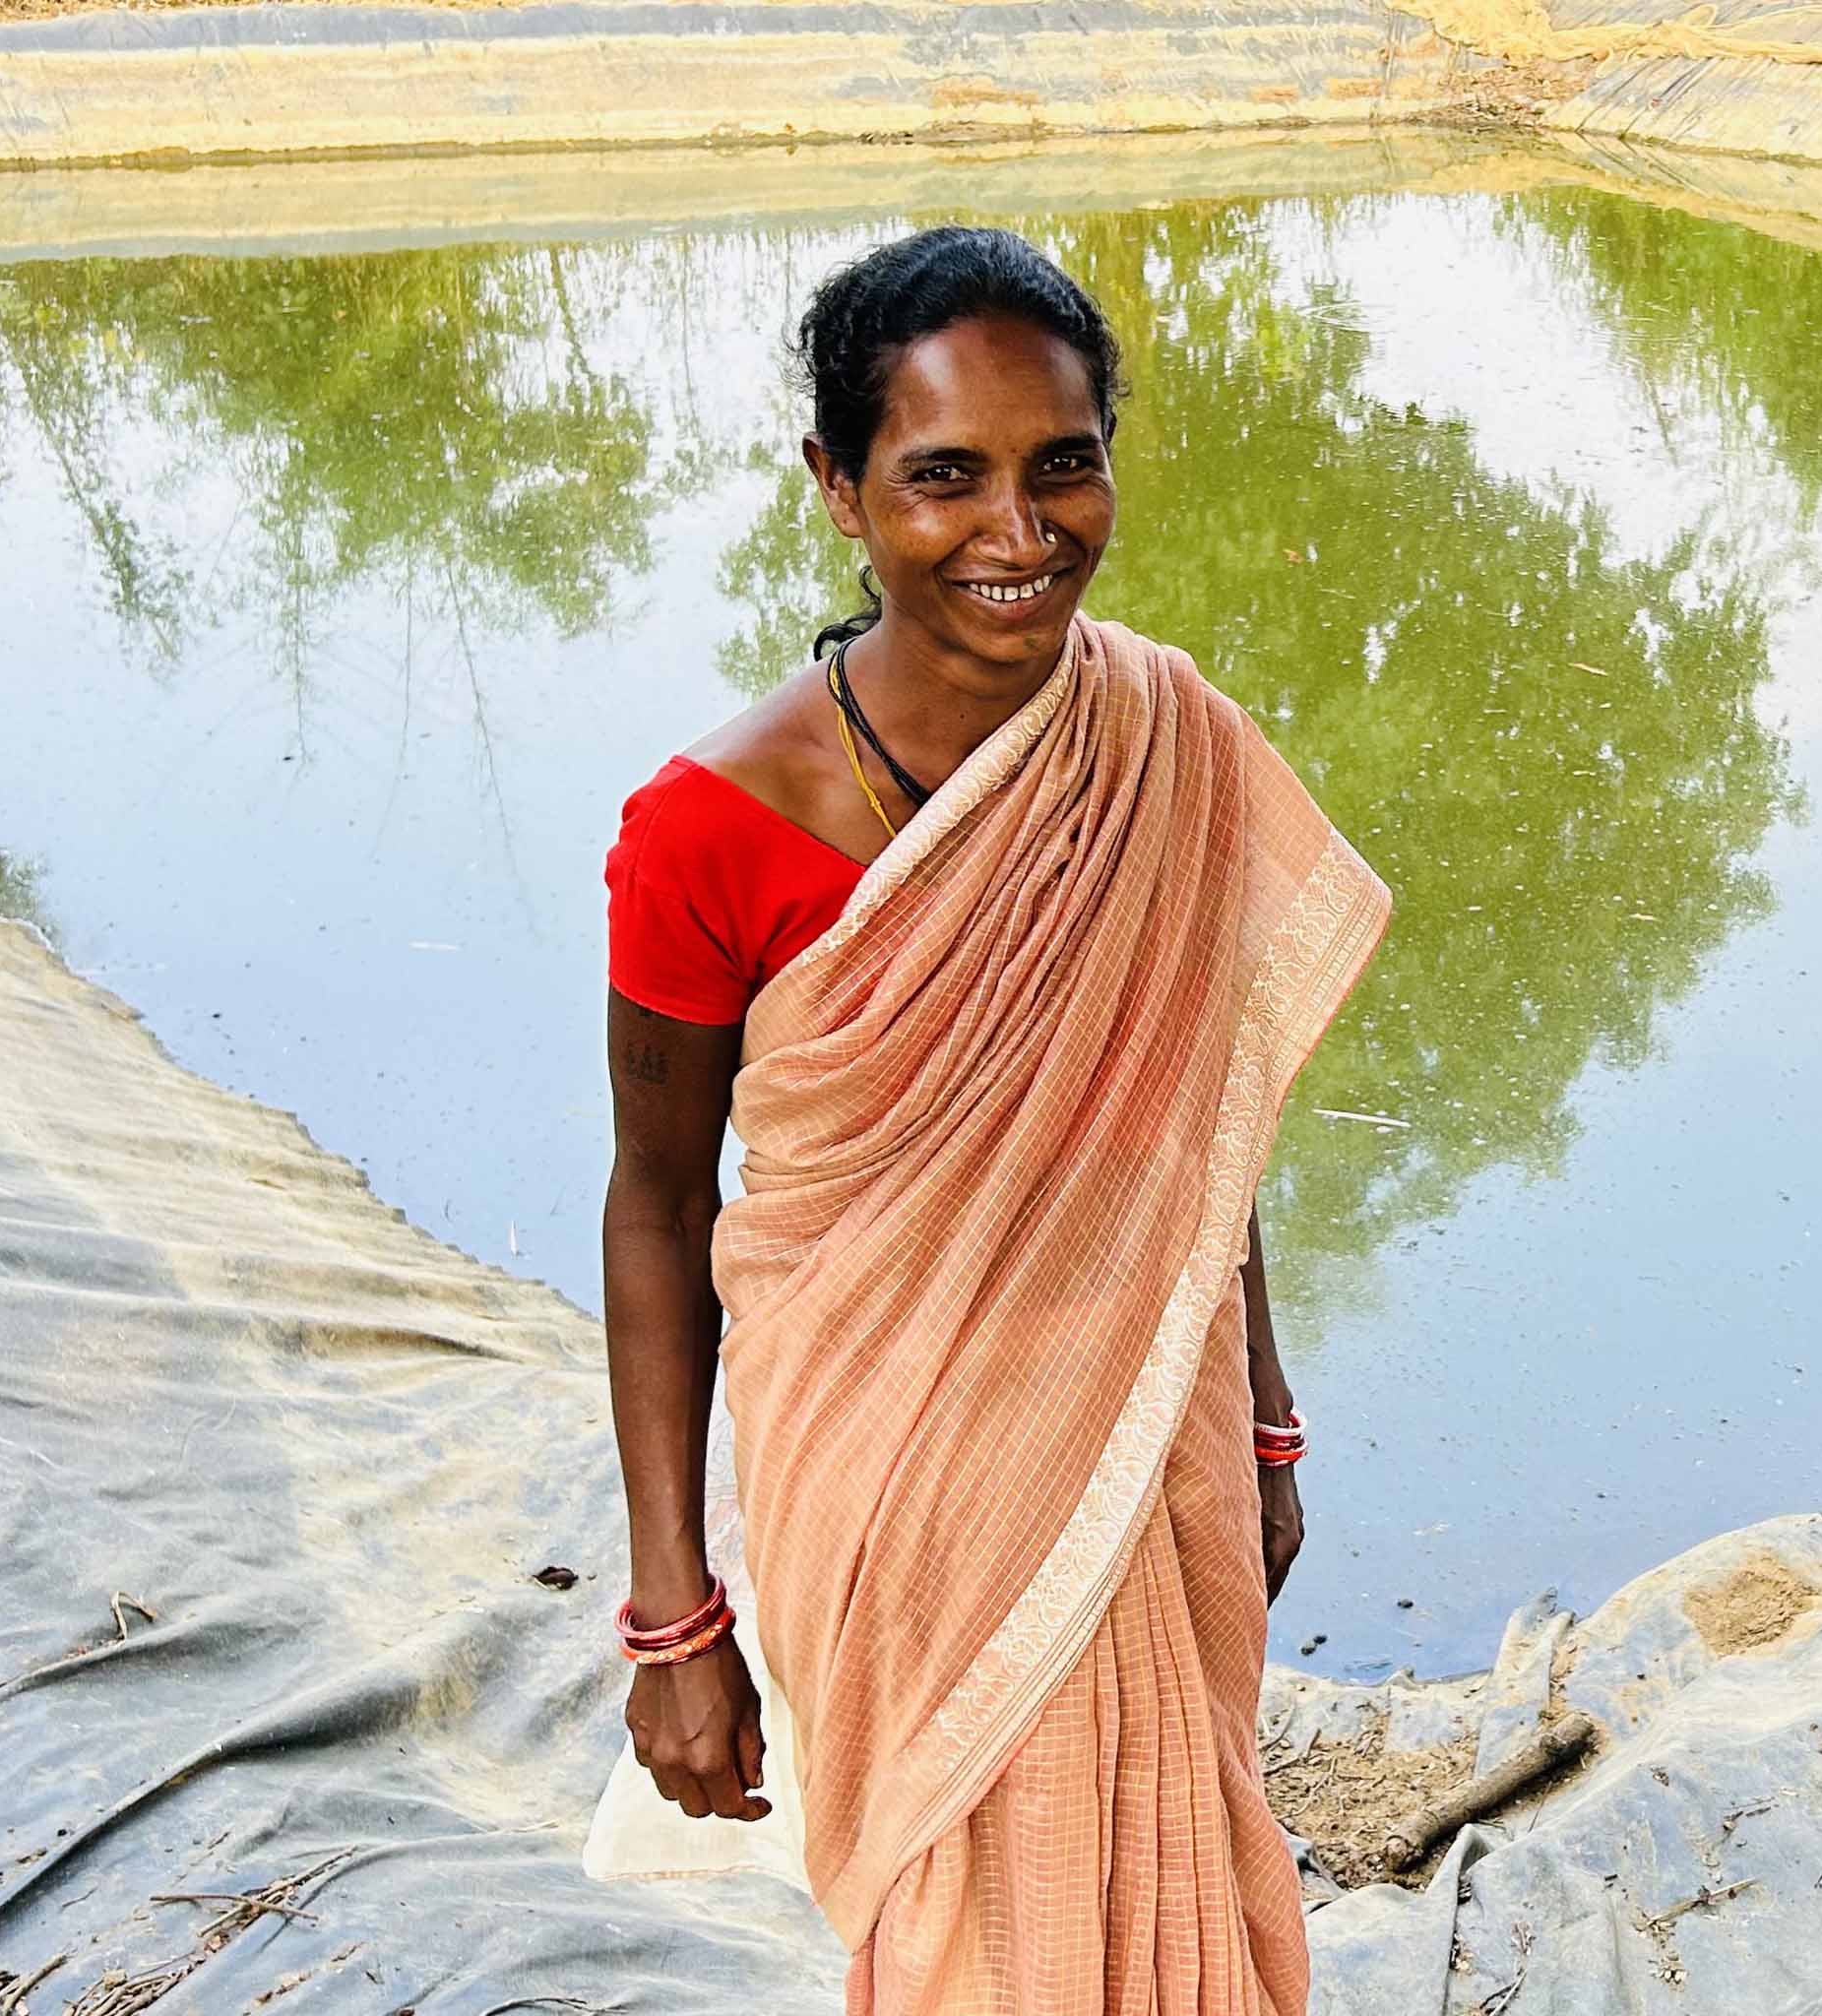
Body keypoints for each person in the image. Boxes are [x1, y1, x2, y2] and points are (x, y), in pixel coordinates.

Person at [594, 225, 1388, 2013]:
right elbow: (657, 1208)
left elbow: (1203, 1113)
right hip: (895, 1486)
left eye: (1064, 467)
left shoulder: (1164, 739)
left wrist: (1262, 1418)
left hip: (1146, 1427)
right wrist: (674, 1617)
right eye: (942, 476)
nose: (1018, 537)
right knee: (976, 1934)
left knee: (1176, 1866)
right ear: (838, 486)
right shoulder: (711, 831)